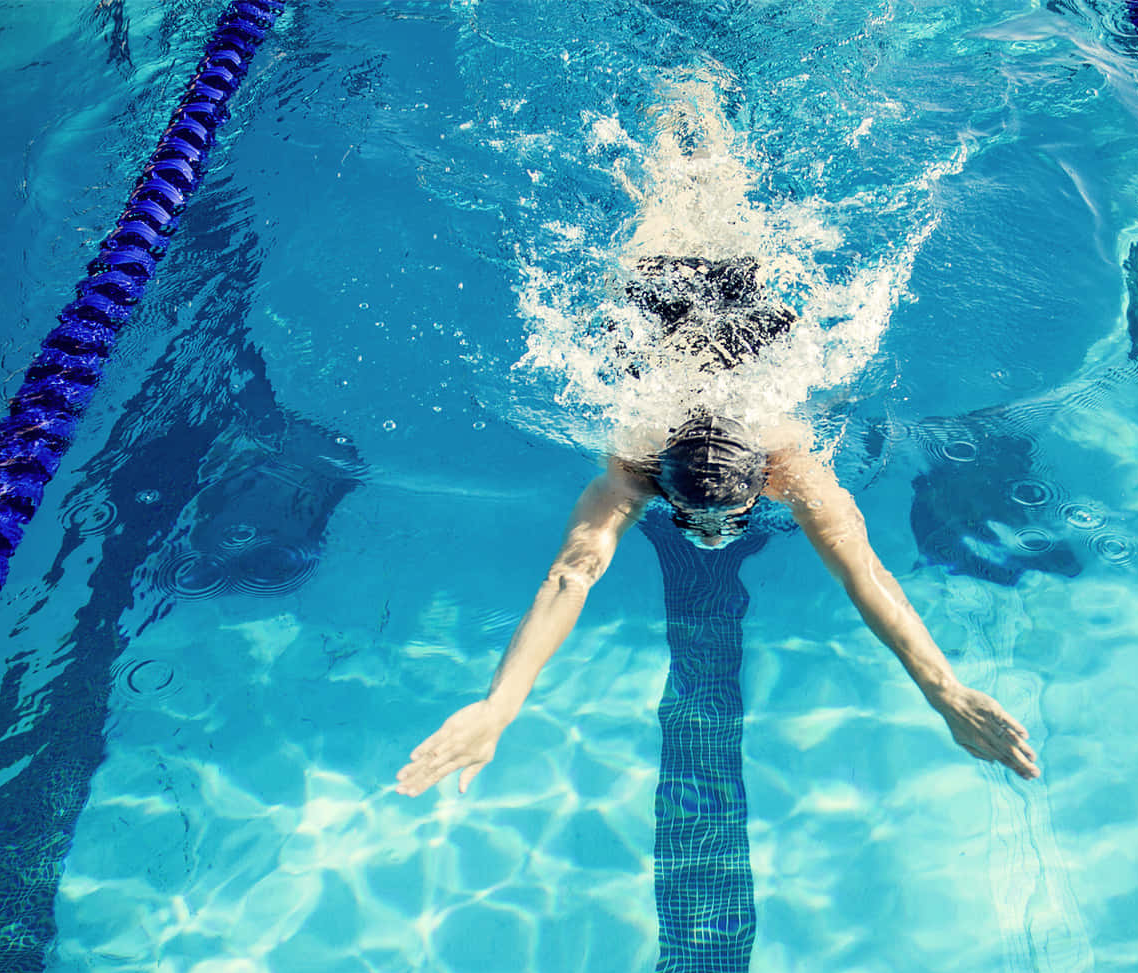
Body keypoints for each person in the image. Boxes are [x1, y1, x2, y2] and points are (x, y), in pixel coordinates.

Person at [394, 81, 1040, 797]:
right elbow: (866, 575)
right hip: (681, 291)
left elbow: (572, 575)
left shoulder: (748, 460)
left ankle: (685, 88)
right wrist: (940, 690)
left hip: (687, 299)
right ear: (752, 483)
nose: (710, 535)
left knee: (687, 188)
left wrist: (502, 704)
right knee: (682, 191)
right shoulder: (713, 460)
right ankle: (689, 88)